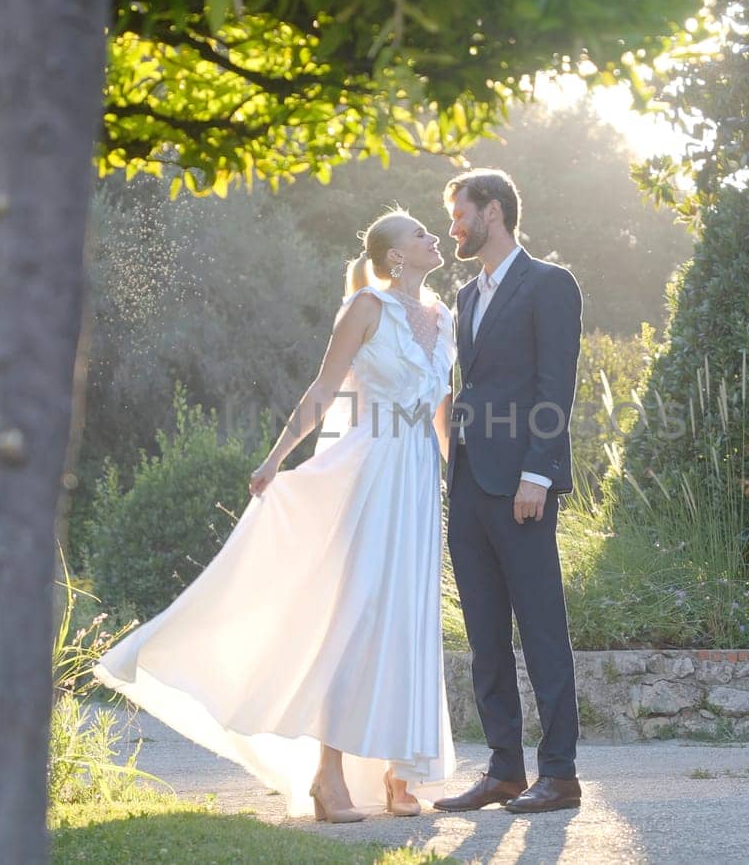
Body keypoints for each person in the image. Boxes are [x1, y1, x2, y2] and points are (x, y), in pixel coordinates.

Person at [94, 210, 457, 823]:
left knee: (411, 616)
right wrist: (274, 458)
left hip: (420, 479)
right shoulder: (366, 308)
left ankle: (402, 771)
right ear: (396, 256)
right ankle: (329, 777)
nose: (433, 238)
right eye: (419, 233)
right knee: (359, 616)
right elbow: (322, 392)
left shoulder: (444, 317)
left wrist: (461, 475)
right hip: (369, 475)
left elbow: (442, 406)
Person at [433, 169, 585, 815]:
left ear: (492, 212)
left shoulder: (550, 284)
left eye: (459, 214)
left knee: (542, 630)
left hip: (522, 484)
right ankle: (503, 770)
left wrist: (537, 473)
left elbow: (556, 386)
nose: (453, 227)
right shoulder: (467, 297)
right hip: (468, 482)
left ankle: (561, 773)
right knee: (485, 635)